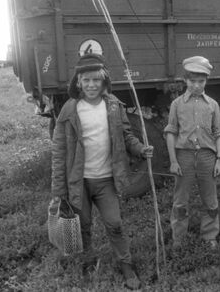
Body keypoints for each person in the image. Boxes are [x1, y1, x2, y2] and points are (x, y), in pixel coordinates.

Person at [51, 54, 153, 290]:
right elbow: (59, 153)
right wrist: (59, 190)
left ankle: (126, 264)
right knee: (83, 225)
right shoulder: (70, 109)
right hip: (80, 182)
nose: (91, 85)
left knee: (114, 223)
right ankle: (87, 261)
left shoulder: (114, 105)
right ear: (78, 82)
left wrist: (140, 149)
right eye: (86, 80)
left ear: (104, 81)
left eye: (96, 80)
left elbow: (125, 135)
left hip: (106, 179)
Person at [164, 55, 220, 250]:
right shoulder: (177, 105)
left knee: (210, 199)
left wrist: (219, 159)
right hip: (184, 157)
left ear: (206, 81)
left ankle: (209, 235)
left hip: (207, 157)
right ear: (185, 80)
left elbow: (218, 133)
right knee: (180, 200)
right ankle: (179, 237)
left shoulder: (212, 105)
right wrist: (173, 161)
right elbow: (171, 133)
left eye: (201, 81)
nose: (197, 86)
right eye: (192, 81)